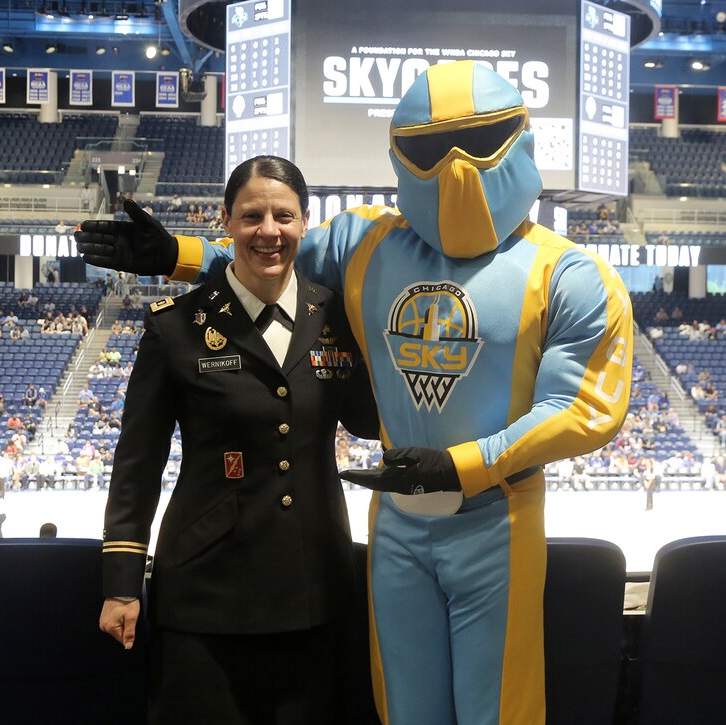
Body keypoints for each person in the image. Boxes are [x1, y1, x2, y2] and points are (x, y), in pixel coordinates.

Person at [78, 61, 632, 725]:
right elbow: (267, 264)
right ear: (400, 155)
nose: (456, 167)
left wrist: (462, 464)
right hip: (396, 521)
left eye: (480, 143)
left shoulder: (569, 272)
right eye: (430, 149)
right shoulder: (368, 242)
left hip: (496, 515)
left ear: (522, 139)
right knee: (403, 706)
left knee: (498, 712)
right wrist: (179, 255)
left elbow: (583, 408)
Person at [96, 156, 379, 724]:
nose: (268, 232)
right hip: (207, 595)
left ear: (303, 224)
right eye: (252, 216)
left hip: (315, 591)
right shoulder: (174, 325)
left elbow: (368, 423)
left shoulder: (337, 317)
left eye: (284, 216)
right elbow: (138, 462)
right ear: (226, 220)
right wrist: (123, 582)